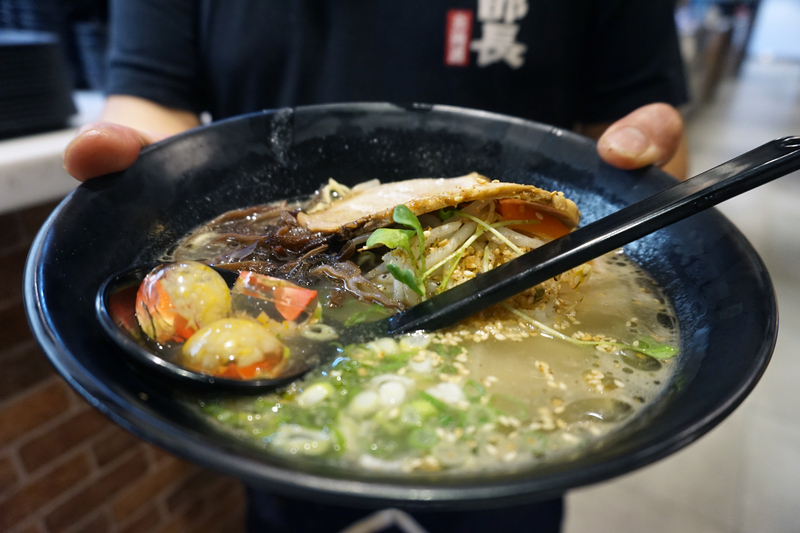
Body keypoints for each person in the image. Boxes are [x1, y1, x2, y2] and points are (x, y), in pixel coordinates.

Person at [62, 2, 690, 531]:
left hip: (523, 465)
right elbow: (152, 101)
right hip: (270, 429)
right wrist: (142, 180)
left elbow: (634, 139)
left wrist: (644, 151)